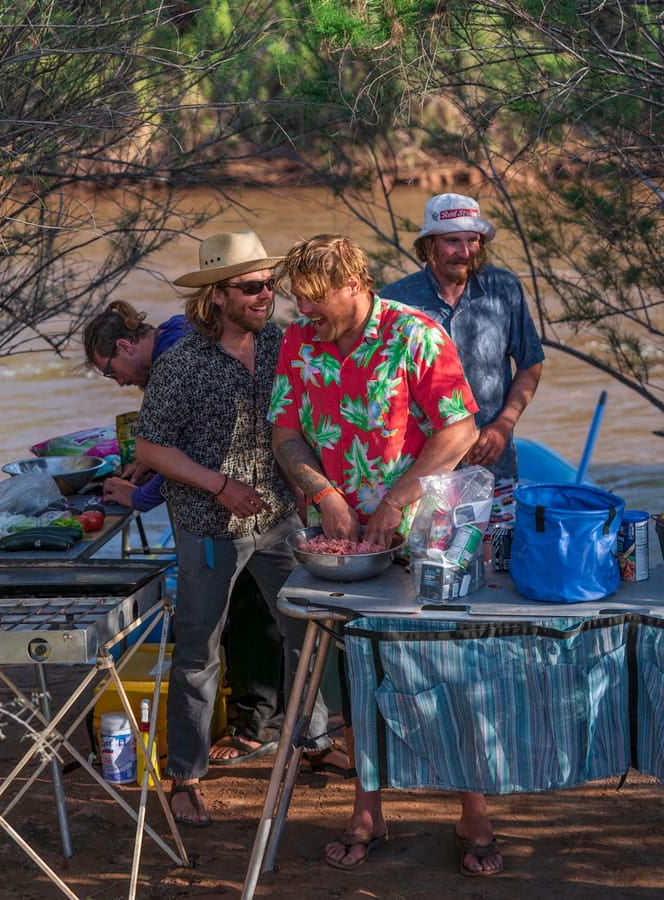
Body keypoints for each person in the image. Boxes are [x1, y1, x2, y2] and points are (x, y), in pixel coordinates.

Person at [269, 234, 504, 877]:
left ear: (354, 284)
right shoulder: (298, 341)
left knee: (444, 669)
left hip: (423, 531)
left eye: (314, 298)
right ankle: (367, 807)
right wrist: (320, 491)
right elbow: (285, 433)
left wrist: (397, 501)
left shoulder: (414, 334)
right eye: (297, 298)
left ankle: (472, 810)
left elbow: (460, 428)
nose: (302, 309)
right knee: (357, 672)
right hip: (340, 540)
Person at [133, 230, 344, 827]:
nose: (265, 294)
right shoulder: (183, 364)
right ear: (216, 296)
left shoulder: (283, 343)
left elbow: (306, 418)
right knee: (199, 651)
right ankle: (186, 776)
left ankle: (318, 739)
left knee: (307, 632)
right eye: (251, 286)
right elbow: (150, 446)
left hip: (280, 517)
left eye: (268, 284)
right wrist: (220, 485)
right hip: (208, 525)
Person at [379, 193, 544, 548]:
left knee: (495, 569)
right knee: (423, 571)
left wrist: (504, 424)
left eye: (473, 241)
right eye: (452, 241)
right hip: (419, 474)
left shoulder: (504, 289)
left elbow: (530, 362)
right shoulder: (395, 302)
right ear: (428, 245)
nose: (465, 251)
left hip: (493, 466)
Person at [82, 299, 194, 511]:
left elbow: (193, 449)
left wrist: (139, 497)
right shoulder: (176, 327)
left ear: (124, 346)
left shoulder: (174, 359)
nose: (121, 383)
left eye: (112, 372)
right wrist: (154, 461)